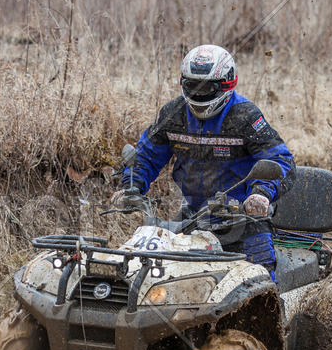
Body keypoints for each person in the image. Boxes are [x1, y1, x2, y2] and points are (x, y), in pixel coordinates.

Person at [113, 44, 295, 281]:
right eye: (193, 86)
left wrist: (261, 193)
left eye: (207, 87)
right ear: (183, 83)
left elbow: (279, 159)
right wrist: (131, 186)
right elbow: (146, 155)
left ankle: (271, 298)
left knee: (258, 273)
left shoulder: (245, 116)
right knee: (152, 264)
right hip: (194, 213)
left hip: (243, 216)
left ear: (226, 84)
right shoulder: (173, 114)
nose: (199, 94)